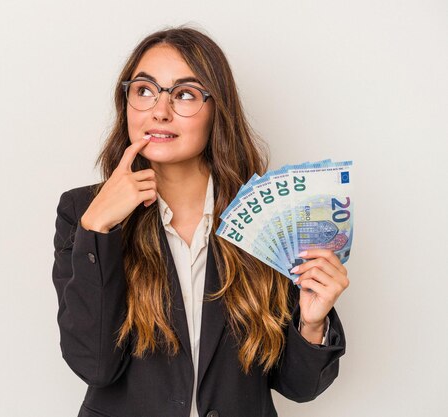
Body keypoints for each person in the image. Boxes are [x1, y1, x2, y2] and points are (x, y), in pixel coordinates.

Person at [52, 26, 349, 417]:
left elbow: (298, 387)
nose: (160, 110)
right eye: (144, 90)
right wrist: (97, 233)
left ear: (217, 111)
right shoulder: (83, 212)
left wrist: (311, 324)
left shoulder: (267, 218)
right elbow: (96, 365)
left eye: (185, 94)